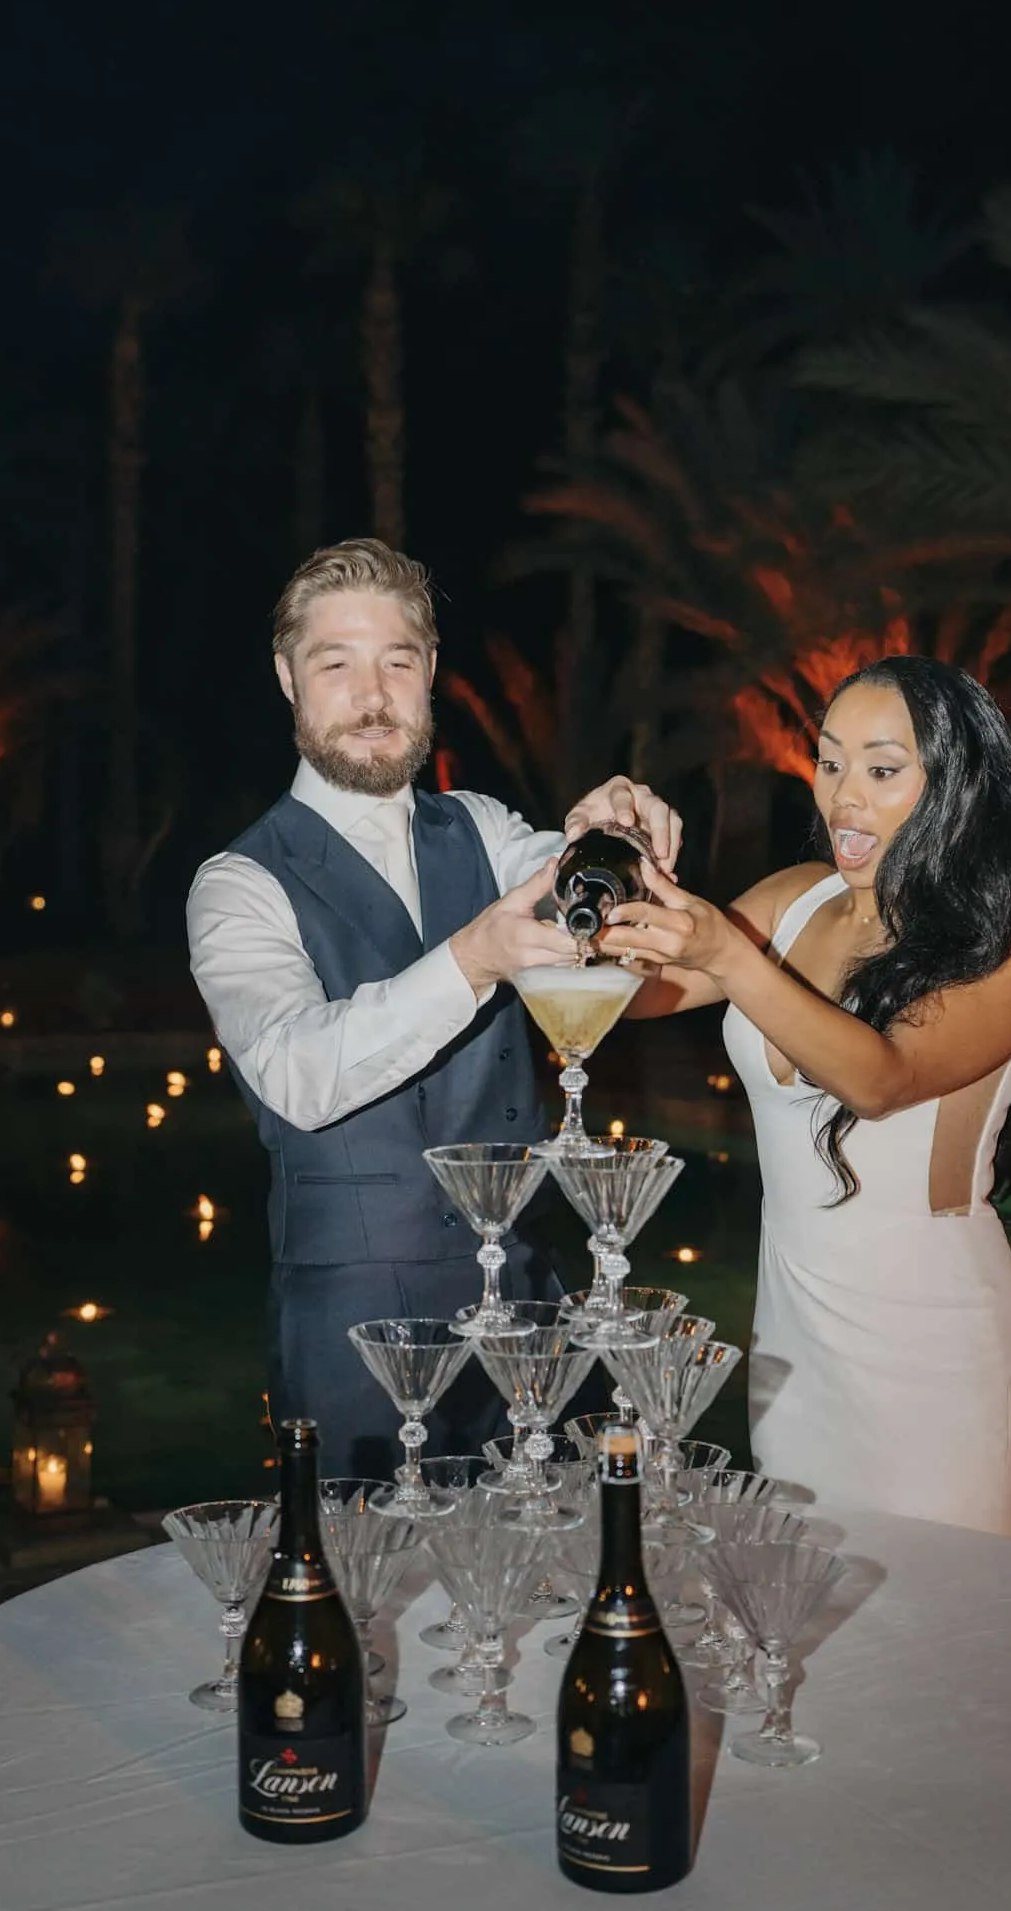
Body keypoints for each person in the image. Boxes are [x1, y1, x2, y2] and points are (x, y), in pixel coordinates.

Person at [187, 538, 681, 1479]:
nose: (372, 696)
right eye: (336, 664)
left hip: (531, 1311)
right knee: (366, 1595)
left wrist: (611, 837)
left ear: (431, 674)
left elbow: (584, 893)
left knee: (550, 1579)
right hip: (353, 1332)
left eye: (397, 662)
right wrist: (470, 958)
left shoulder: (485, 831)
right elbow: (301, 1074)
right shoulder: (238, 883)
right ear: (289, 678)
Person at [596, 655, 1011, 1541]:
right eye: (829, 761)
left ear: (954, 786)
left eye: (883, 770)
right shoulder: (792, 900)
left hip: (930, 1340)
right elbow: (636, 994)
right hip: (792, 1331)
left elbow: (879, 1080)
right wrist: (611, 868)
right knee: (800, 1618)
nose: (843, 796)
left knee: (940, 1632)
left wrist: (729, 959)